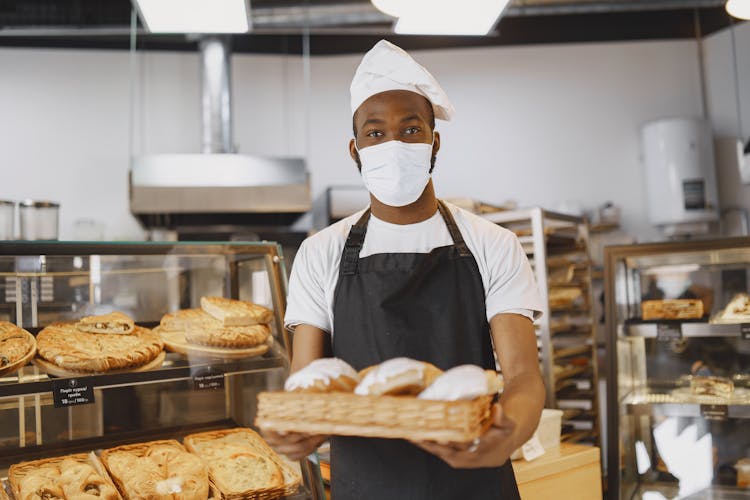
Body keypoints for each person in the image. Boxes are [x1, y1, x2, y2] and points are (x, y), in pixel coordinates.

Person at [263, 40, 545, 499]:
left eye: (410, 130)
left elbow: (522, 376)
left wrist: (507, 436)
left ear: (435, 141)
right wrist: (299, 429)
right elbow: (308, 383)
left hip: (475, 477)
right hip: (367, 484)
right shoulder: (321, 253)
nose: (393, 144)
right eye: (375, 134)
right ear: (355, 151)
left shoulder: (493, 243)